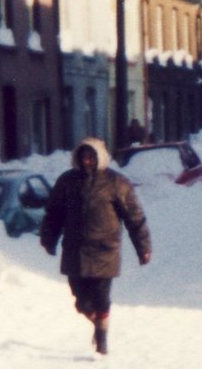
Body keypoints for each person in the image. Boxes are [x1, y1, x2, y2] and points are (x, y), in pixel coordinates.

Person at [40, 137, 152, 355]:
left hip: (105, 249)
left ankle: (101, 337)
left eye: (92, 157)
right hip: (75, 249)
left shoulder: (116, 183)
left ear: (100, 158)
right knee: (80, 300)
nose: (87, 161)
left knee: (101, 297)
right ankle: (97, 322)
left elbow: (135, 218)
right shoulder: (67, 181)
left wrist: (143, 247)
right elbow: (54, 213)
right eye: (83, 157)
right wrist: (48, 238)